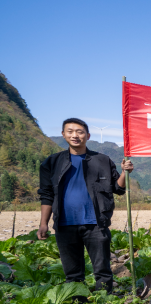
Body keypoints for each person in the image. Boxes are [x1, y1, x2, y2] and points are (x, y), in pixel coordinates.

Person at [38, 117, 133, 292]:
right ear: (63, 135)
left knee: (103, 270)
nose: (75, 135)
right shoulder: (52, 163)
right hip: (65, 224)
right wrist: (43, 223)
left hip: (96, 223)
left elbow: (117, 188)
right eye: (70, 131)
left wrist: (125, 173)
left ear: (88, 135)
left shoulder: (102, 160)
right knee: (73, 273)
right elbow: (46, 195)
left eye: (80, 132)